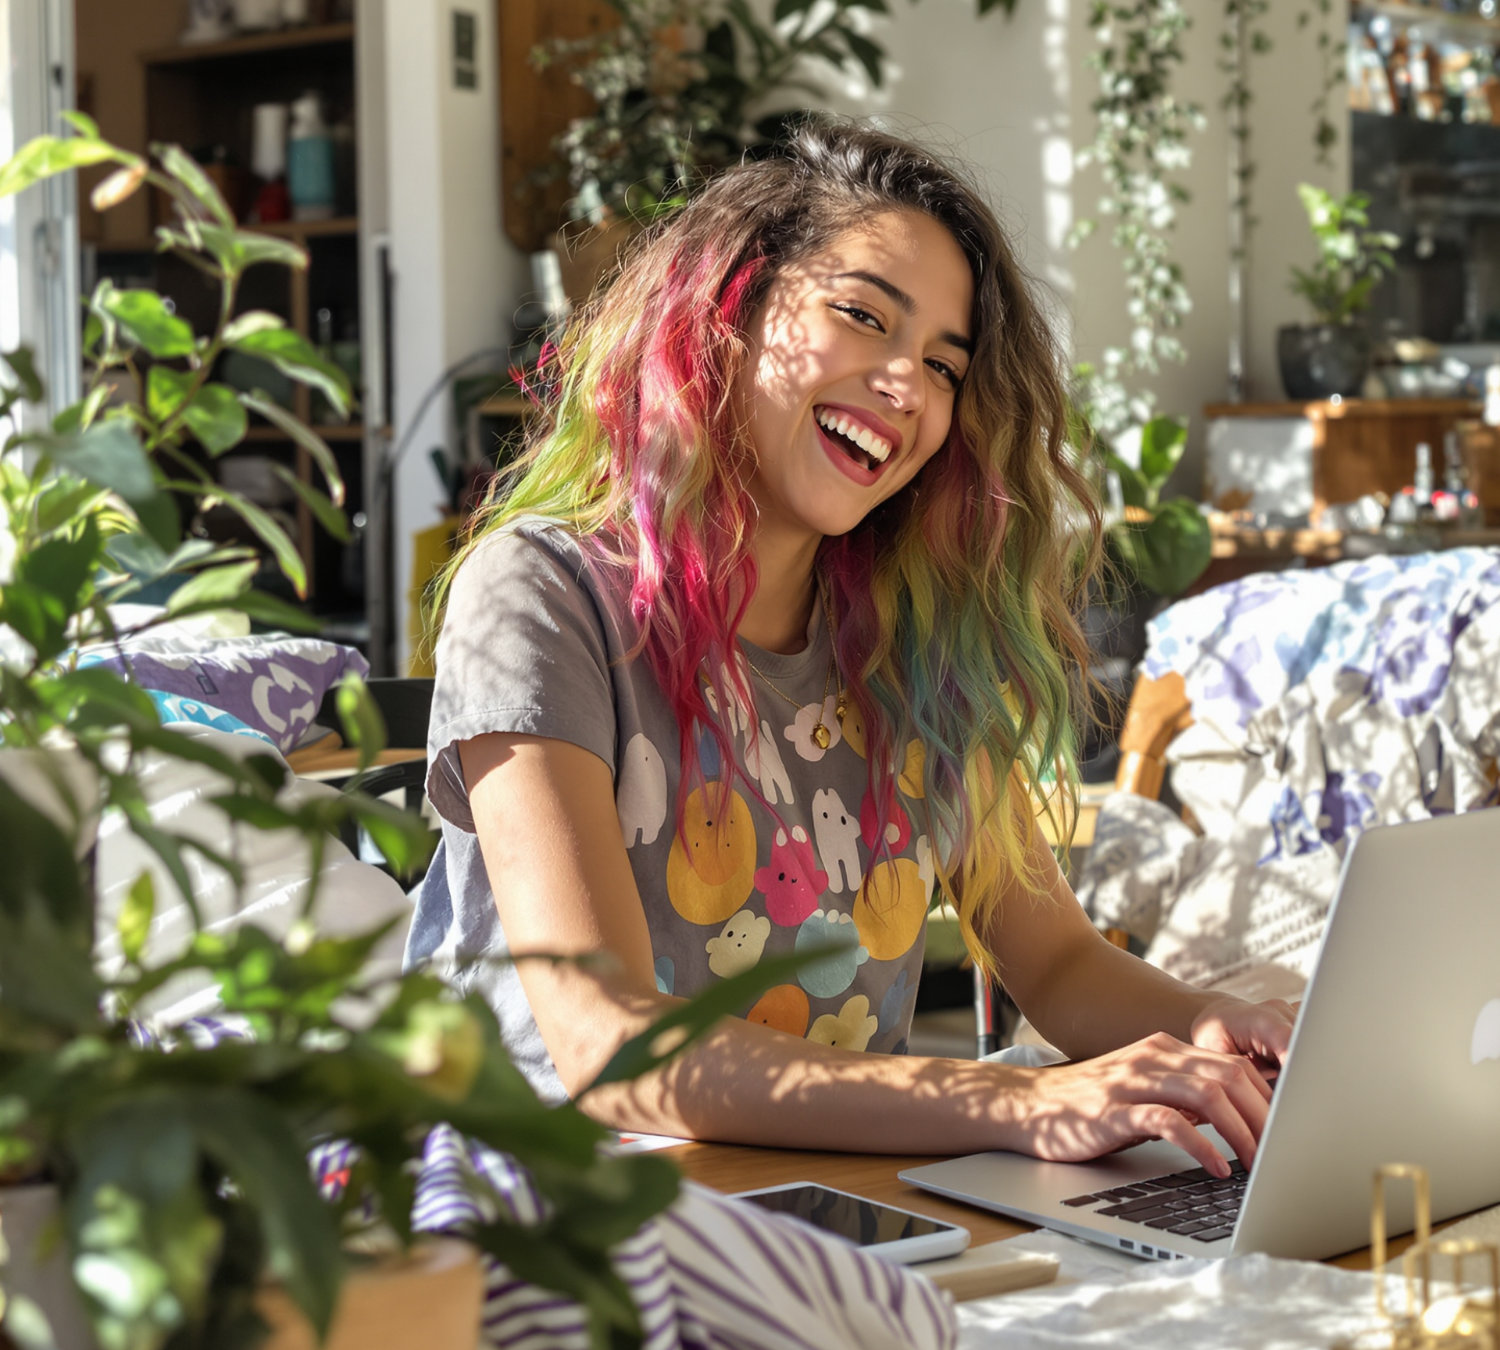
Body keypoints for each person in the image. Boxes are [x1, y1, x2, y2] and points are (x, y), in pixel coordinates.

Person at [407, 119, 1295, 1177]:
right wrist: (1016, 1100)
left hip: (837, 1217)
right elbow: (612, 1044)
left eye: (942, 365)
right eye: (862, 317)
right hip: (550, 1224)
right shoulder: (543, 595)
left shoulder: (922, 643)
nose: (905, 385)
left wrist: (1219, 1035)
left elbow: (1055, 962)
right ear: (726, 313)